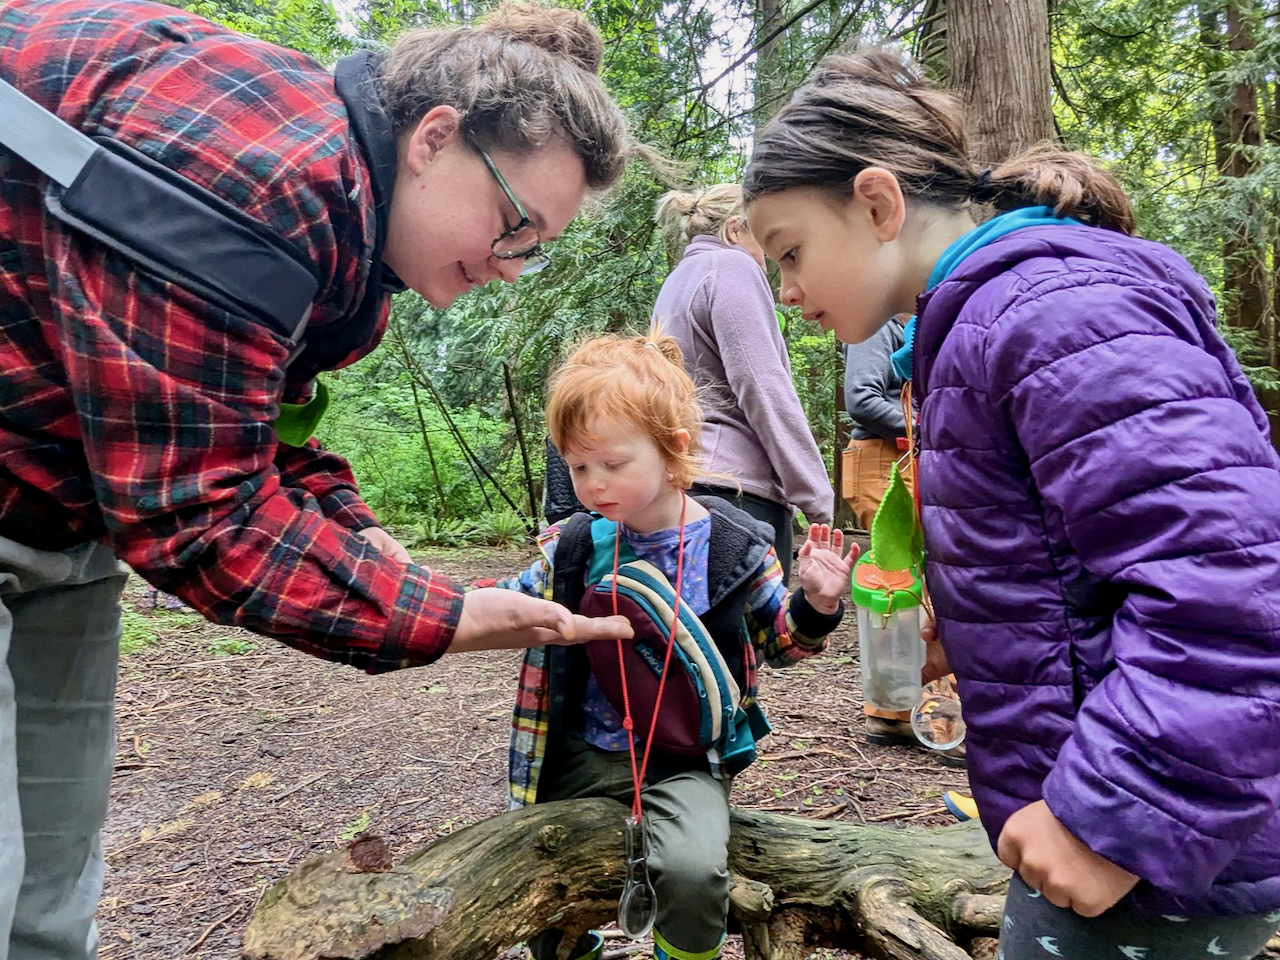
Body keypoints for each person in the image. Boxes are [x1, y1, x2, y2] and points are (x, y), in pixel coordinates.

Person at [0, 2, 641, 957]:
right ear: (433, 138)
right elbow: (199, 514)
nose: (512, 267)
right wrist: (446, 618)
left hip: (57, 511)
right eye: (513, 227)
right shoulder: (255, 177)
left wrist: (344, 521)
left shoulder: (344, 228)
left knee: (52, 871)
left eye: (533, 247)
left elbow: (234, 404)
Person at [743, 48, 1280, 958]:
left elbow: (1236, 584)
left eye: (790, 252)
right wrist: (988, 624)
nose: (788, 292)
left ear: (877, 203)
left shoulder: (1052, 314)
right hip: (1117, 841)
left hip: (1151, 856)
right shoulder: (978, 329)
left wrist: (1116, 817)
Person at [494, 332, 854, 960]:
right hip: (577, 751)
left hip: (682, 757)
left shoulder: (736, 545)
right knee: (534, 872)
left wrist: (817, 603)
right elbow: (509, 604)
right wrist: (431, 600)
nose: (595, 484)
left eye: (613, 463)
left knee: (692, 875)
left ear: (672, 452)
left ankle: (682, 952)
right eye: (579, 467)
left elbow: (780, 643)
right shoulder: (575, 546)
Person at [651, 185, 833, 582]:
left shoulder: (678, 280)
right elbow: (762, 385)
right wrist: (817, 498)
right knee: (757, 641)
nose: (769, 264)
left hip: (684, 485)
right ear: (735, 230)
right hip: (739, 498)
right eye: (766, 244)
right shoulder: (731, 266)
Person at [842, 321, 965, 765]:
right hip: (882, 458)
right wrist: (934, 426)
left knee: (916, 583)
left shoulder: (914, 325)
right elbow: (863, 398)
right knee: (901, 584)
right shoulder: (878, 323)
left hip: (907, 456)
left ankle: (898, 711)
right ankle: (923, 716)